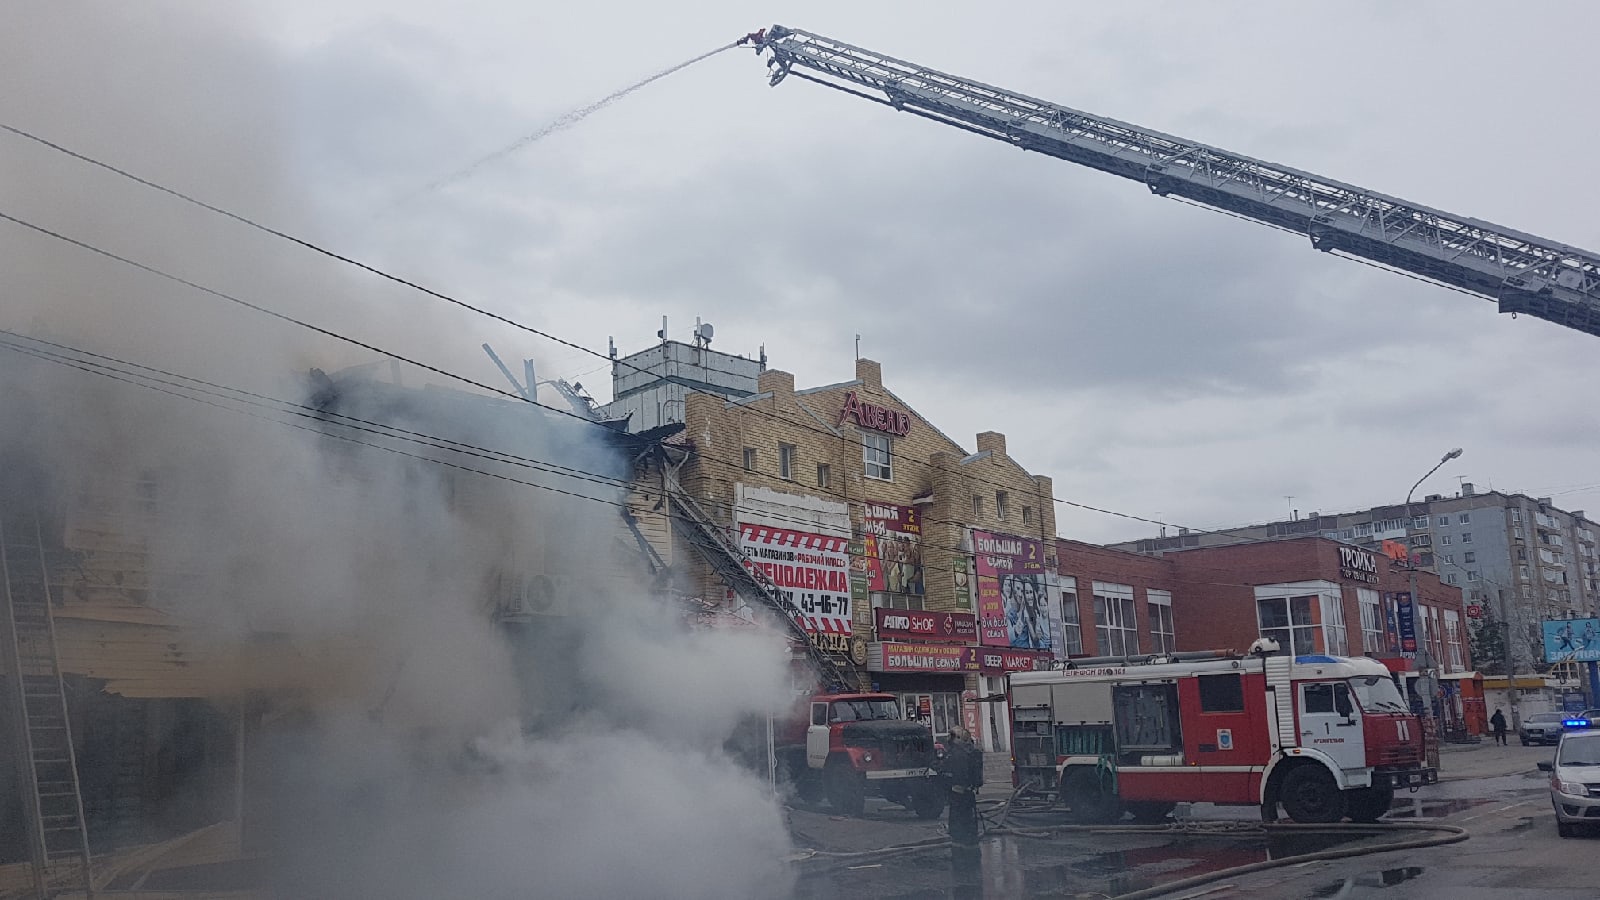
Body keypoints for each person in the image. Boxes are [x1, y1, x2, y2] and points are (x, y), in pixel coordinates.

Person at [941, 726, 984, 845]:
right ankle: (969, 841)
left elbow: (957, 773)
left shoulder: (957, 753)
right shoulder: (970, 751)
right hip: (968, 792)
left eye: (951, 736)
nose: (949, 739)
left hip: (958, 792)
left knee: (958, 820)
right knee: (968, 819)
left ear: (957, 738)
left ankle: (960, 845)